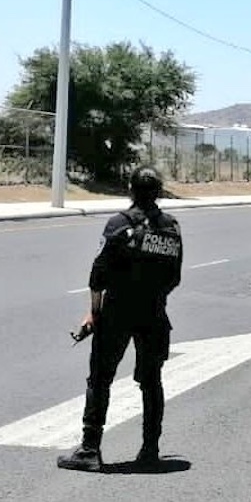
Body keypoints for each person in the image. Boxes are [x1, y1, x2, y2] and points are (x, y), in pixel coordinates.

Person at [57, 166, 184, 472]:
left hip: (117, 311)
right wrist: (154, 296)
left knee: (100, 379)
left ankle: (90, 449)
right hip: (154, 312)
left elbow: (98, 273)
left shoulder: (119, 224)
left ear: (130, 189)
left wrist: (94, 313)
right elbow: (174, 276)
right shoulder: (171, 228)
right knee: (152, 382)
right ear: (159, 191)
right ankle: (150, 449)